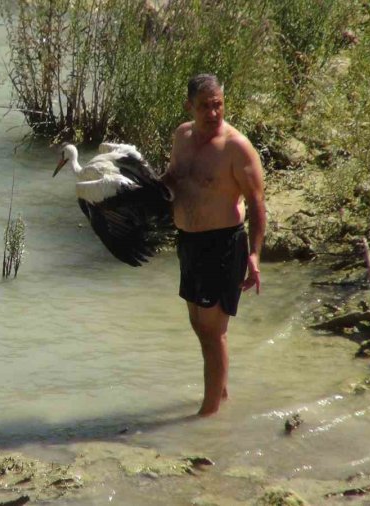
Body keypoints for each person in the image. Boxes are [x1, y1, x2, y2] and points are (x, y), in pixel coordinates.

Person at [161, 73, 266, 417]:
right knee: (199, 325)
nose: (213, 113)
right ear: (189, 106)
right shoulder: (182, 136)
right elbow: (173, 179)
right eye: (205, 106)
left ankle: (207, 419)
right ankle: (220, 396)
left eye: (218, 104)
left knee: (212, 331)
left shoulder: (236, 147)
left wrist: (254, 254)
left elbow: (256, 203)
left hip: (222, 244)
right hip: (189, 243)